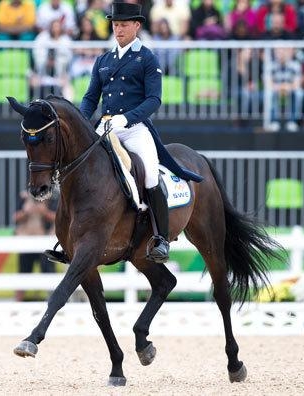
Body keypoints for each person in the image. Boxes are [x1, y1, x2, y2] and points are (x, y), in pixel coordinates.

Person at [79, 2, 202, 263]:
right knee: (83, 168)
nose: (118, 29)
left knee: (148, 174)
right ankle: (72, 235)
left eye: (123, 25)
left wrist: (127, 118)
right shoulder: (103, 60)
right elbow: (91, 98)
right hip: (106, 127)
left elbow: (154, 100)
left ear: (136, 25)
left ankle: (160, 238)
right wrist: (82, 119)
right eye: (115, 25)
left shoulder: (146, 58)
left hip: (134, 129)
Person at [13, 190, 57, 301]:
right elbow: (15, 217)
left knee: (49, 274)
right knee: (23, 274)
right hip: (27, 243)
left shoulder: (52, 198)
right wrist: (26, 212)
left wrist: (45, 212)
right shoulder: (24, 198)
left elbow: (58, 218)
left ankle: (53, 302)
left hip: (45, 243)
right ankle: (17, 303)